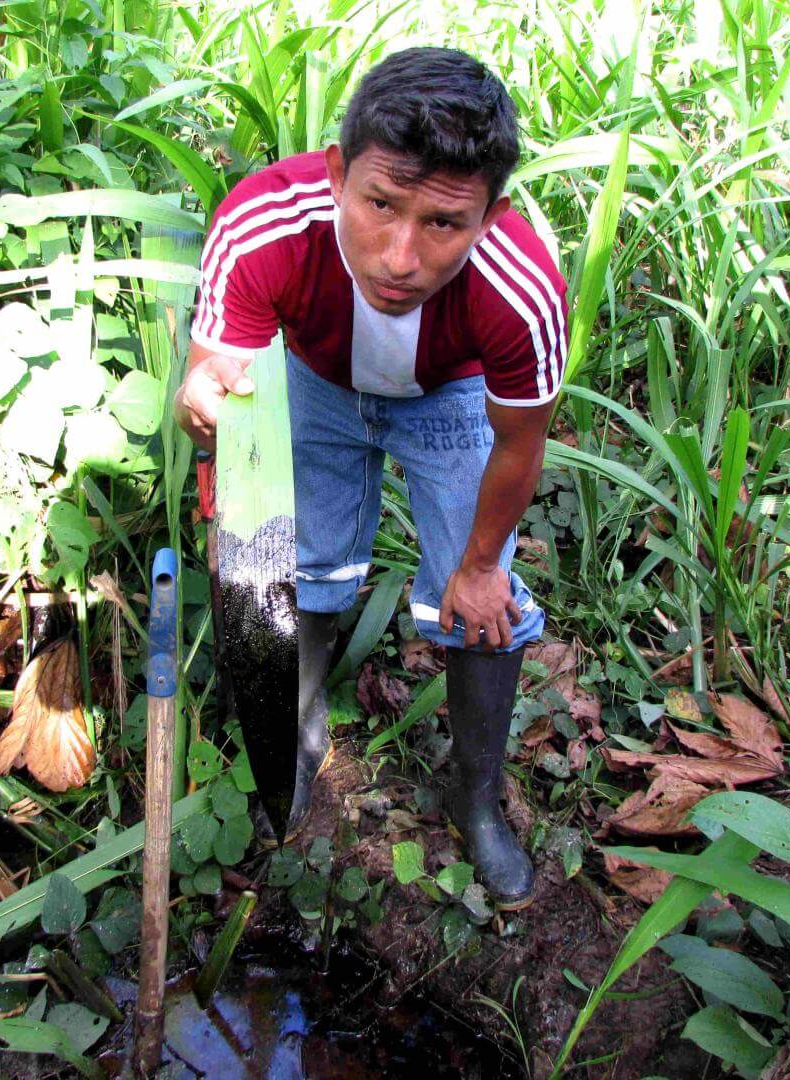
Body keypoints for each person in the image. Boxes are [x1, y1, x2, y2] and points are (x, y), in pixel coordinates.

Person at [174, 46, 566, 911]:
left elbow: (518, 444)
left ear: (490, 218)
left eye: (444, 224)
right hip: (315, 379)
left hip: (450, 393)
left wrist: (478, 564)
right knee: (294, 554)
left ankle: (475, 799)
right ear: (336, 174)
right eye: (379, 204)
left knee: (482, 599)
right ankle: (296, 727)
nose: (399, 256)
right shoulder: (265, 223)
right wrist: (202, 404)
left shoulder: (521, 288)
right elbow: (215, 373)